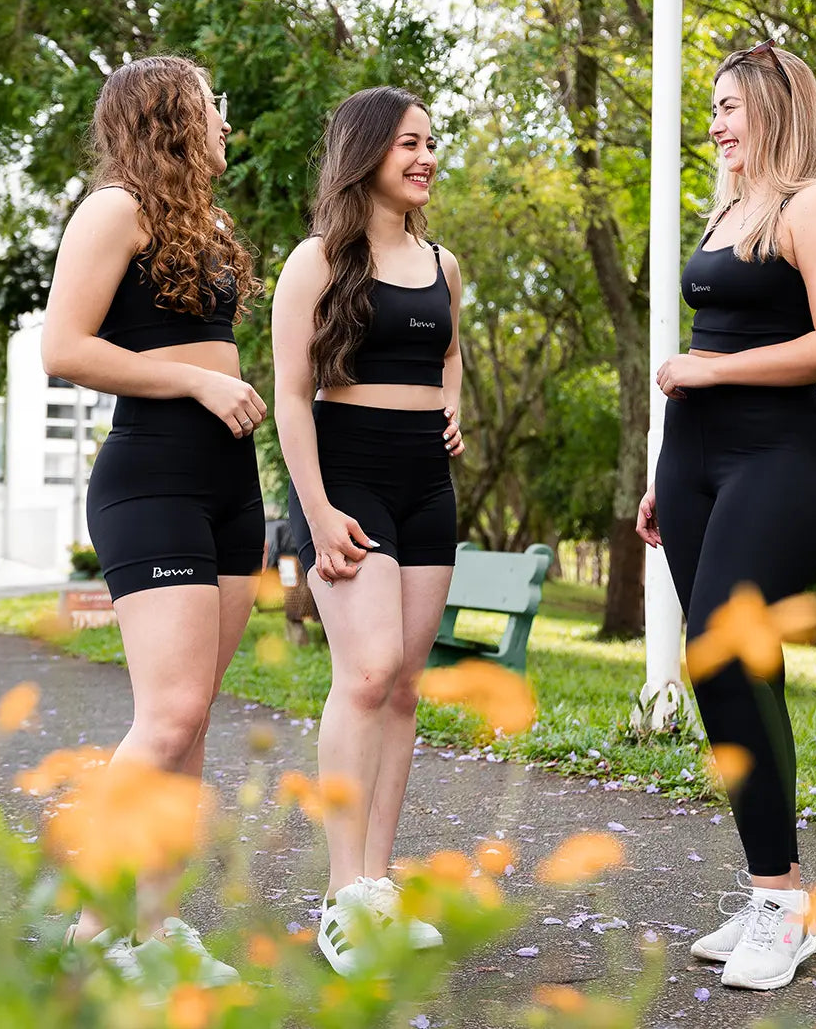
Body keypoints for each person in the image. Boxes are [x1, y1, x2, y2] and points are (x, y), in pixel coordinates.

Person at [636, 40, 816, 992]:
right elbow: (708, 339)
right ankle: (773, 896)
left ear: (777, 109)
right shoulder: (728, 209)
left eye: (733, 106)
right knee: (739, 674)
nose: (718, 121)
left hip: (778, 460)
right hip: (695, 466)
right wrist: (665, 473)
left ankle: (783, 902)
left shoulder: (815, 205)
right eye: (714, 107)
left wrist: (715, 374)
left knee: (719, 652)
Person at [42, 55, 266, 985]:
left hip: (229, 483)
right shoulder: (114, 209)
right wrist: (196, 379)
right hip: (151, 476)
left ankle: (154, 926)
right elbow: (64, 348)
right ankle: (90, 932)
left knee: (193, 719)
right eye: (210, 101)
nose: (223, 115)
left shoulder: (202, 221)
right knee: (168, 713)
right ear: (170, 115)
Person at [272, 86, 464, 975]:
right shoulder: (316, 261)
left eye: (430, 142)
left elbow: (449, 352)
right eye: (407, 145)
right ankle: (342, 896)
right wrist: (315, 511)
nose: (424, 158)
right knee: (367, 672)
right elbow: (289, 394)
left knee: (405, 686)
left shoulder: (443, 265)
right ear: (365, 156)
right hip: (347, 479)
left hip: (428, 482)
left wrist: (453, 407)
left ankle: (380, 885)